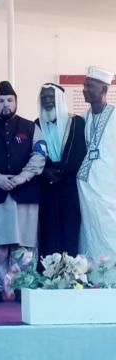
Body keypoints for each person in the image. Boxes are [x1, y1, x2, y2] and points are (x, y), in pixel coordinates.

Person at [0, 81, 46, 303]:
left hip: (25, 194)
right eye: (1, 100)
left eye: (10, 100)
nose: (6, 104)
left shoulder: (31, 128)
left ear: (16, 102)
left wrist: (22, 177)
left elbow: (39, 155)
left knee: (24, 242)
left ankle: (22, 285)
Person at [36, 83, 86, 257]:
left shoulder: (76, 123)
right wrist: (46, 171)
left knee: (70, 230)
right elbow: (34, 155)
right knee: (48, 232)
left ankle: (71, 275)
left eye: (51, 97)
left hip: (70, 189)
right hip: (47, 189)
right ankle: (49, 278)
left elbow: (80, 154)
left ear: (59, 99)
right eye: (44, 98)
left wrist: (61, 172)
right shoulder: (36, 125)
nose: (47, 101)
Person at [77, 66, 116, 260]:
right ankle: (92, 278)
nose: (84, 89)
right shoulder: (83, 118)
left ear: (104, 89)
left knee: (109, 230)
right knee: (90, 231)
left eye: (89, 86)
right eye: (84, 85)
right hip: (87, 190)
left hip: (109, 190)